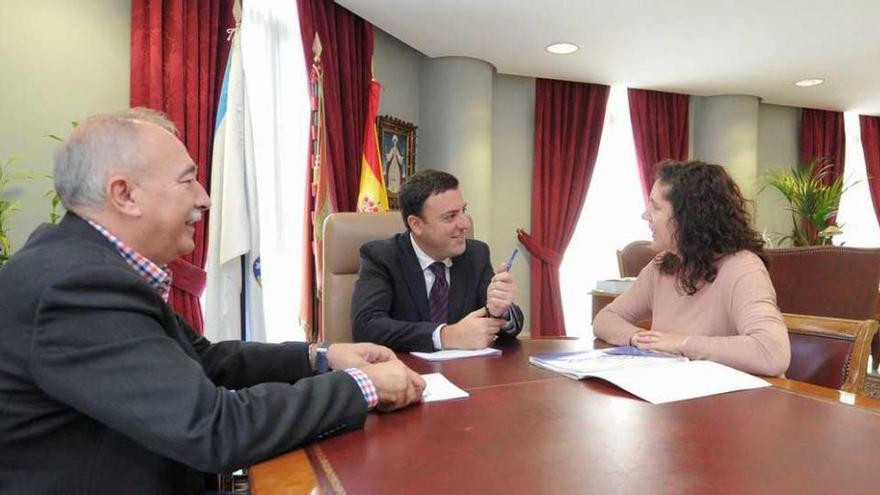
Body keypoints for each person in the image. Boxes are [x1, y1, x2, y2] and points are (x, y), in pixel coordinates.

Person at [0, 108, 425, 494]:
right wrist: (363, 386)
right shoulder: (76, 287)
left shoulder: (91, 266)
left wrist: (322, 357)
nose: (204, 198)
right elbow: (213, 428)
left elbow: (206, 360)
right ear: (124, 195)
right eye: (188, 181)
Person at [593, 160, 790, 376]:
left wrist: (681, 343)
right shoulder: (662, 265)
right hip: (678, 394)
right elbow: (605, 319)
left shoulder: (743, 267)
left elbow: (772, 353)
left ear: (688, 217)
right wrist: (637, 338)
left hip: (736, 402)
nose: (645, 215)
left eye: (656, 207)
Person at [351, 169, 524, 352]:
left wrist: (500, 310)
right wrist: (446, 335)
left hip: (466, 373)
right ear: (416, 224)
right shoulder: (382, 257)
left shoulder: (475, 254)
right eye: (450, 217)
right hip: (405, 374)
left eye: (463, 211)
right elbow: (366, 327)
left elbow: (508, 327)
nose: (465, 224)